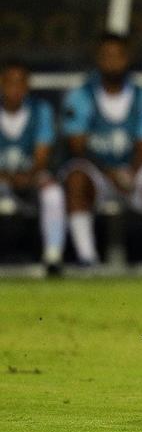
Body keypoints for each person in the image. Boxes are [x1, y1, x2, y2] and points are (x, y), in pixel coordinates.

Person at [60, 32, 142, 269]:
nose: (112, 61)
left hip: (134, 170)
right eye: (106, 56)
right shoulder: (80, 95)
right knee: (76, 178)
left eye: (117, 55)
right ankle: (88, 260)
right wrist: (110, 175)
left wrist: (129, 174)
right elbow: (78, 146)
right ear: (97, 59)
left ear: (128, 58)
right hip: (97, 173)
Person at [0, 60, 66, 275]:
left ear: (28, 86)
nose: (15, 88)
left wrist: (28, 176)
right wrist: (8, 177)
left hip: (30, 176)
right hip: (2, 178)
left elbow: (41, 157)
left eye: (20, 83)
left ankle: (53, 258)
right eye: (10, 82)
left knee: (53, 192)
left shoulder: (41, 111)